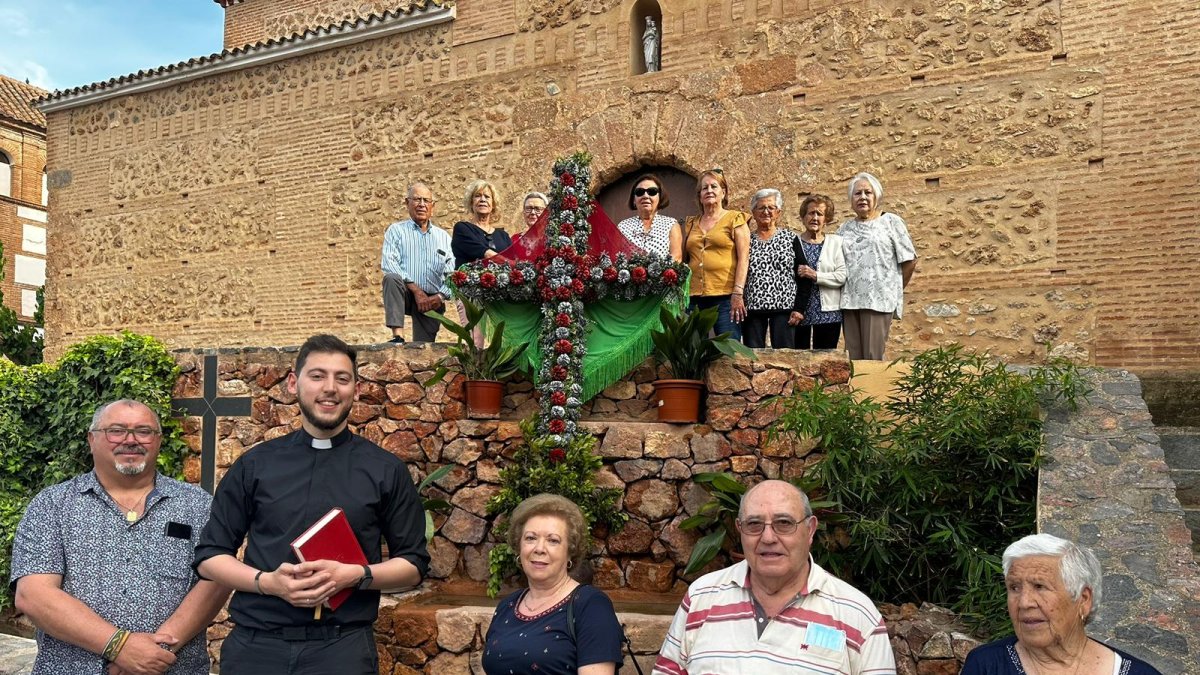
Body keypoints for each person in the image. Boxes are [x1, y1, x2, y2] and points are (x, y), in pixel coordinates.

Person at [195, 334, 430, 675]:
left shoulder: (385, 470)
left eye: (342, 378)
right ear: (294, 383)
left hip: (342, 650)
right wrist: (268, 582)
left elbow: (413, 563)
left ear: (357, 390)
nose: (330, 388)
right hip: (257, 648)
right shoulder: (254, 465)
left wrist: (356, 575)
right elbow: (210, 556)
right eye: (317, 376)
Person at [11, 399, 230, 675]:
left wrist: (154, 655)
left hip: (171, 668)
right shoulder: (53, 505)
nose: (130, 440)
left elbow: (216, 581)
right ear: (92, 439)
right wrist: (120, 647)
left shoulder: (197, 506)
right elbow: (33, 594)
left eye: (144, 431)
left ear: (158, 440)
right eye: (116, 430)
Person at [653, 480, 895, 675]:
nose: (768, 537)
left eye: (783, 523)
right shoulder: (701, 597)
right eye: (754, 524)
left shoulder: (857, 615)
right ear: (740, 530)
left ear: (810, 530)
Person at [961, 534, 1162, 675]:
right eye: (1014, 588)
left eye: (1039, 586)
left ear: (1083, 600)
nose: (1024, 602)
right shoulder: (985, 665)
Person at [482, 494, 623, 675]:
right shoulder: (506, 607)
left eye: (553, 540)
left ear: (569, 552)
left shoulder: (591, 606)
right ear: (519, 547)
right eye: (531, 538)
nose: (539, 548)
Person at [836, 172, 916, 360]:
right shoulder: (843, 229)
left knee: (873, 356)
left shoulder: (891, 222)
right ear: (851, 199)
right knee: (853, 358)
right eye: (857, 194)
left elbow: (910, 260)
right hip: (849, 301)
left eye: (867, 192)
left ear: (876, 196)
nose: (862, 197)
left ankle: (873, 391)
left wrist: (893, 289)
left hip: (878, 300)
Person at [380, 182, 454, 344]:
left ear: (432, 206)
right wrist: (416, 290)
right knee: (391, 278)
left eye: (426, 201)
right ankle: (397, 336)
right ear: (407, 203)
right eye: (417, 199)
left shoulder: (444, 238)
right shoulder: (396, 230)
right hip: (406, 292)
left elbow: (453, 273)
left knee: (424, 348)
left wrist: (440, 296)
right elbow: (389, 263)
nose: (422, 204)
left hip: (431, 300)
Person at [682, 169, 750, 339]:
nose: (709, 191)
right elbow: (684, 258)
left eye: (714, 186)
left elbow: (744, 258)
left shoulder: (735, 219)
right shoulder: (691, 223)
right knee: (693, 349)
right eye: (704, 188)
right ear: (700, 195)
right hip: (694, 296)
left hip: (725, 297)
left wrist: (738, 293)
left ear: (723, 192)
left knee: (729, 348)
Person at [452, 180, 512, 345]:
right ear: (471, 203)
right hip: (471, 295)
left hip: (500, 295)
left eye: (487, 196)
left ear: (493, 204)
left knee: (503, 340)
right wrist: (509, 263)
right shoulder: (462, 229)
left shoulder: (503, 236)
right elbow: (484, 253)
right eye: (477, 196)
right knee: (475, 341)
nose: (482, 200)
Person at [742, 188, 803, 349]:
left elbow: (803, 275)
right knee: (752, 357)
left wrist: (799, 309)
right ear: (753, 212)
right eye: (761, 207)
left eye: (771, 207)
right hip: (752, 309)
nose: (766, 211)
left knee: (785, 357)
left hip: (784, 309)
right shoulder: (746, 240)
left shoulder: (790, 239)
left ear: (778, 212)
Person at [794, 194, 846, 350]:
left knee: (825, 360)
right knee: (798, 359)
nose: (815, 218)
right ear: (803, 217)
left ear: (826, 219)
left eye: (820, 214)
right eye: (811, 213)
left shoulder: (836, 243)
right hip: (799, 312)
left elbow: (841, 276)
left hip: (828, 313)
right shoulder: (793, 241)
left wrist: (815, 275)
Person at [617, 173, 682, 261]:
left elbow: (676, 257)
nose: (645, 196)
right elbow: (615, 257)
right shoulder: (623, 226)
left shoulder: (671, 224)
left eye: (652, 192)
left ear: (660, 197)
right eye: (640, 192)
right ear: (634, 200)